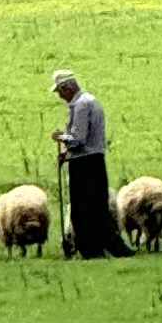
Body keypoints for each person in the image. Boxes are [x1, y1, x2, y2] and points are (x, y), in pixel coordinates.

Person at [52, 69, 120, 257]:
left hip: (85, 165)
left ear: (67, 88)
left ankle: (90, 250)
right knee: (98, 207)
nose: (59, 96)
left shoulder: (81, 106)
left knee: (83, 210)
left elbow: (79, 139)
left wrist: (61, 138)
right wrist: (66, 155)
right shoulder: (90, 101)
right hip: (95, 160)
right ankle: (111, 246)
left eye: (60, 91)